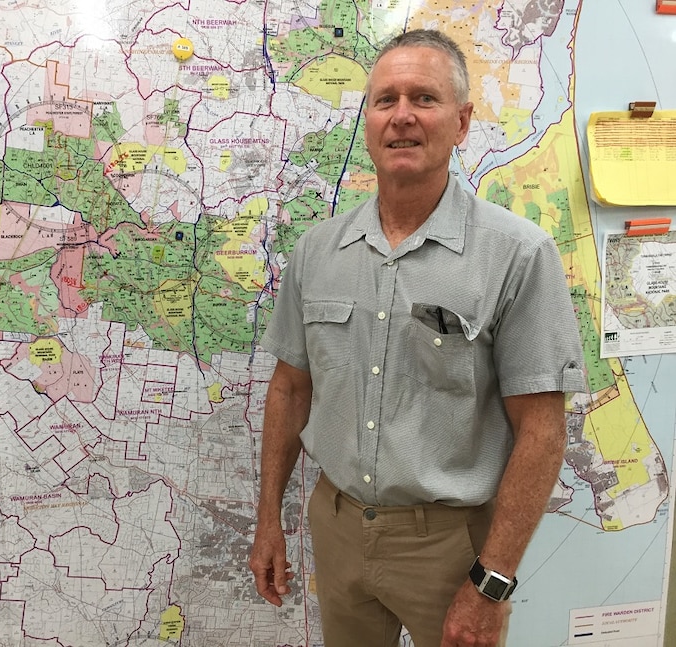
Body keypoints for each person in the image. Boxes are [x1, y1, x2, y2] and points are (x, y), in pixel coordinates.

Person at [249, 28, 586, 647]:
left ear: (460, 123)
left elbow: (542, 431)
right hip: (339, 528)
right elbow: (290, 390)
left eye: (424, 99)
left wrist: (492, 582)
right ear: (369, 120)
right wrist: (269, 519)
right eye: (386, 100)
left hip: (452, 545)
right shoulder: (317, 252)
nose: (402, 115)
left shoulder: (517, 255)